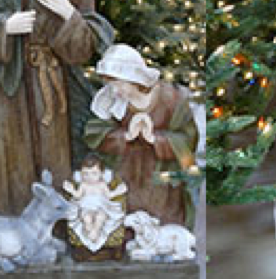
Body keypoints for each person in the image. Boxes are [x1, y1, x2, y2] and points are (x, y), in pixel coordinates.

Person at [0, 0, 122, 216]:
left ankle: (52, 221)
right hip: (13, 89)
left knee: (54, 160)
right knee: (15, 161)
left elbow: (81, 50)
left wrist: (69, 15)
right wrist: (5, 25)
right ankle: (10, 225)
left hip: (53, 89)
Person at [85, 44, 199, 226]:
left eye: (119, 84)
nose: (114, 90)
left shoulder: (171, 98)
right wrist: (125, 136)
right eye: (110, 85)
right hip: (126, 175)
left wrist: (156, 139)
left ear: (133, 77)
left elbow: (188, 140)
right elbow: (95, 134)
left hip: (161, 180)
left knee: (162, 226)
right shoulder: (111, 100)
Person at [63, 154, 127, 253]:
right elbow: (78, 196)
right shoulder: (83, 185)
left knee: (101, 216)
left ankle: (96, 230)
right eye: (85, 174)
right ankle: (90, 232)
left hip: (101, 207)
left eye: (94, 173)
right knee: (86, 217)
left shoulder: (102, 184)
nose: (90, 177)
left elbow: (109, 195)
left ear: (101, 173)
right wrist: (71, 190)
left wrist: (118, 191)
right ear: (81, 174)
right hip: (86, 207)